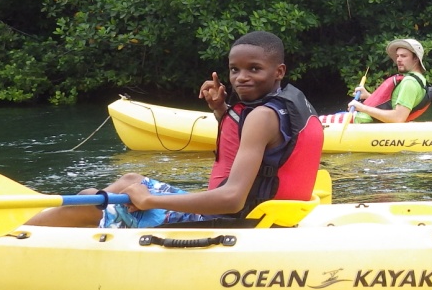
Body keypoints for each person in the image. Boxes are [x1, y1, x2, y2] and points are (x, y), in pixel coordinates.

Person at [29, 31, 323, 228]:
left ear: (278, 71)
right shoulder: (293, 101)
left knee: (97, 199)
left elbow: (232, 199)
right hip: (276, 216)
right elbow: (272, 151)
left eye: (254, 69)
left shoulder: (261, 115)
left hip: (240, 223)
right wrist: (221, 110)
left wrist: (151, 200)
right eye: (235, 70)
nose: (240, 78)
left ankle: (16, 235)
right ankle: (47, 224)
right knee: (125, 182)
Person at [321, 38, 432, 124]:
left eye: (403, 56)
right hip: (362, 120)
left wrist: (362, 107)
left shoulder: (410, 82)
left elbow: (398, 118)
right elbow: (392, 106)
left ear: (415, 59)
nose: (398, 59)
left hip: (361, 122)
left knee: (315, 122)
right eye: (397, 56)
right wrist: (368, 97)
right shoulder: (416, 79)